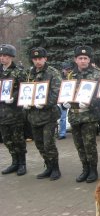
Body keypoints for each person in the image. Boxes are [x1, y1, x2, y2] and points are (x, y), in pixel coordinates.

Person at [64, 45, 100, 183]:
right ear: (75, 59)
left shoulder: (97, 74)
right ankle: (85, 168)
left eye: (86, 58)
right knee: (79, 144)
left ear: (89, 60)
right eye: (80, 58)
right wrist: (65, 101)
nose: (83, 61)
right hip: (74, 115)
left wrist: (90, 102)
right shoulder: (70, 75)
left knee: (89, 144)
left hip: (89, 116)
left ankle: (93, 170)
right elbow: (66, 91)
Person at [25, 47, 62, 180]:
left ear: (45, 58)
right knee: (39, 144)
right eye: (35, 59)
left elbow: (56, 93)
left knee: (48, 144)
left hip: (48, 116)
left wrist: (45, 103)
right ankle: (48, 167)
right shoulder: (29, 73)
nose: (38, 61)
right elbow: (26, 90)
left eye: (40, 58)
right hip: (34, 116)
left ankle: (55, 169)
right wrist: (25, 101)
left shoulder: (53, 73)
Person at [0, 44, 27, 176]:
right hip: (1, 112)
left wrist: (13, 97)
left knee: (18, 139)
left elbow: (24, 89)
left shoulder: (18, 71)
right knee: (7, 139)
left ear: (11, 56)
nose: (2, 58)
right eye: (1, 56)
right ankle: (14, 162)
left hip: (14, 111)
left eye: (5, 56)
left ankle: (22, 163)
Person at [58, 62, 73, 140]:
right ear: (63, 70)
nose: (68, 71)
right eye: (67, 69)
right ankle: (62, 133)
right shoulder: (60, 78)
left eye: (69, 69)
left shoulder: (73, 76)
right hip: (63, 99)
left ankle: (74, 130)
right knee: (63, 117)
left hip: (72, 99)